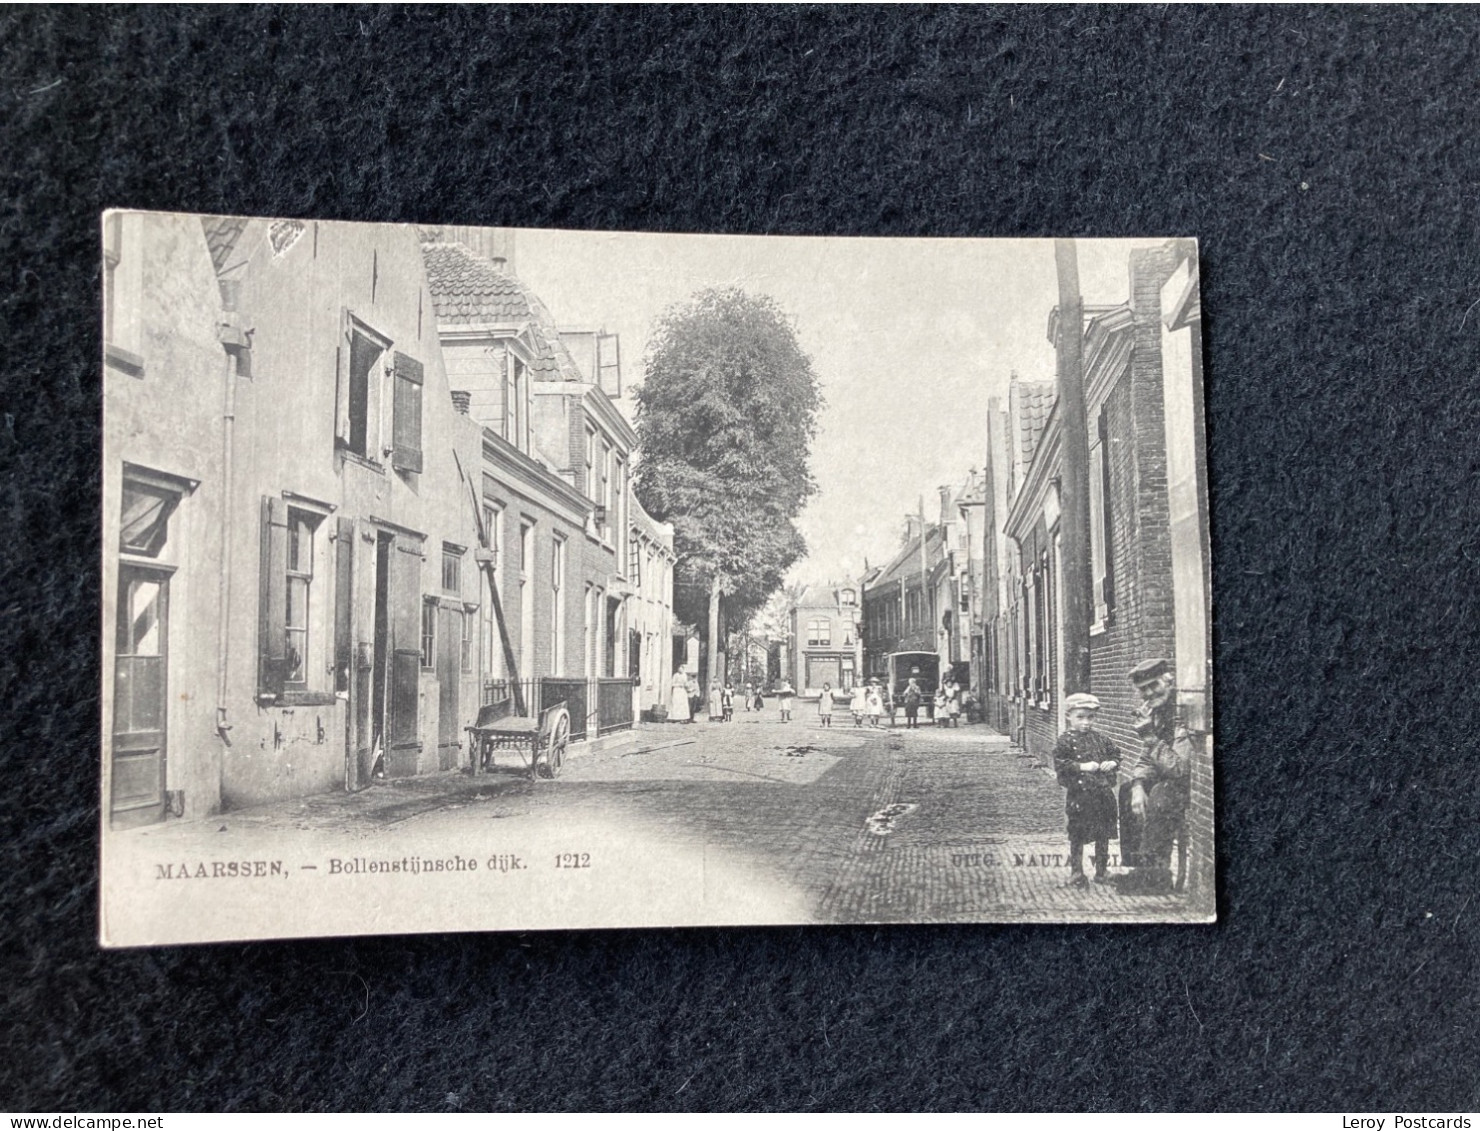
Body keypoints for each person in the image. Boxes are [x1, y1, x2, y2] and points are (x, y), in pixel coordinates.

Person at [1121, 658, 1191, 894]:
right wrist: (1138, 784)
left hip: (1188, 784)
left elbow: (1180, 769)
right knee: (1126, 791)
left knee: (1161, 795)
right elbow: (1145, 758)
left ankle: (1157, 877)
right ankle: (1140, 869)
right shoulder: (1156, 711)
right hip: (1166, 777)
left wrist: (1150, 736)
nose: (1149, 693)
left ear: (1168, 681)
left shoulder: (1183, 712)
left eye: (1154, 685)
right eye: (1143, 689)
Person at [1053, 692, 1120, 887]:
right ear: (1069, 716)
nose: (1086, 722)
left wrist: (1111, 762)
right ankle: (1076, 872)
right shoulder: (1065, 740)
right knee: (1077, 833)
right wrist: (1082, 766)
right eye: (1080, 717)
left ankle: (1101, 871)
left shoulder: (1100, 739)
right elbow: (1060, 763)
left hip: (1102, 794)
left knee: (1103, 833)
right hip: (1080, 796)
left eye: (1090, 717)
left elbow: (1116, 753)